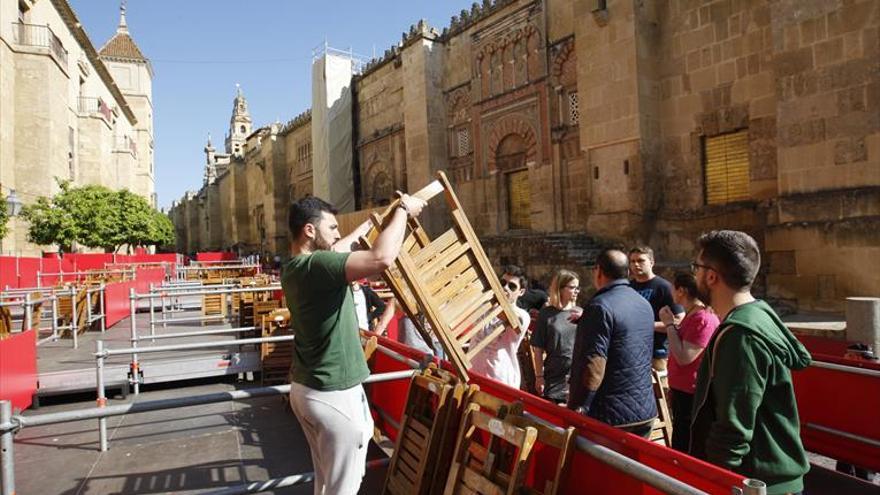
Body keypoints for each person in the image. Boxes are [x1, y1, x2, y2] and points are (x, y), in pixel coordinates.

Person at [282, 193, 426, 495]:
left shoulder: (295, 267)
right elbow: (380, 259)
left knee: (326, 483)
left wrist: (368, 227)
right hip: (334, 395)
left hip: (308, 389)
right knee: (343, 489)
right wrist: (403, 210)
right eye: (332, 227)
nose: (337, 234)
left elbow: (336, 248)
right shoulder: (318, 266)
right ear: (310, 230)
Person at [689, 230, 811, 495]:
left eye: (696, 267)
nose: (694, 274)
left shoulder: (741, 336)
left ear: (711, 276)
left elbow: (733, 427)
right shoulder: (759, 312)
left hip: (757, 483)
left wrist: (714, 481)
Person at [568, 249, 657, 437]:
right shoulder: (643, 304)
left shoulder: (599, 307)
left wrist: (578, 408)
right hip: (645, 410)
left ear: (598, 271)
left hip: (610, 416)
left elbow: (594, 365)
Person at [658, 272, 719, 452]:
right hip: (682, 391)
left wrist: (669, 324)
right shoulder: (692, 315)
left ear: (681, 291)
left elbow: (685, 357)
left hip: (691, 393)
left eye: (673, 288)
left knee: (688, 444)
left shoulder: (703, 319)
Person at [470, 265, 531, 388]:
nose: (505, 288)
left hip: (499, 379)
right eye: (503, 283)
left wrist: (496, 301)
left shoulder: (522, 315)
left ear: (521, 292)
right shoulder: (484, 306)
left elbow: (514, 320)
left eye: (512, 286)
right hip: (473, 373)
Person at [531, 269, 582, 403]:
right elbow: (538, 349)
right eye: (572, 287)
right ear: (560, 288)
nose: (577, 291)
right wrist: (539, 376)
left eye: (578, 287)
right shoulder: (546, 314)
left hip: (576, 374)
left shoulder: (581, 313)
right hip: (553, 375)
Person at [628, 246, 676, 372]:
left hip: (657, 353)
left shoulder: (664, 287)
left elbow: (678, 321)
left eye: (641, 260)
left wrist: (648, 325)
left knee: (661, 390)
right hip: (632, 352)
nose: (636, 265)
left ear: (652, 262)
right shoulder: (628, 287)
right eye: (632, 261)